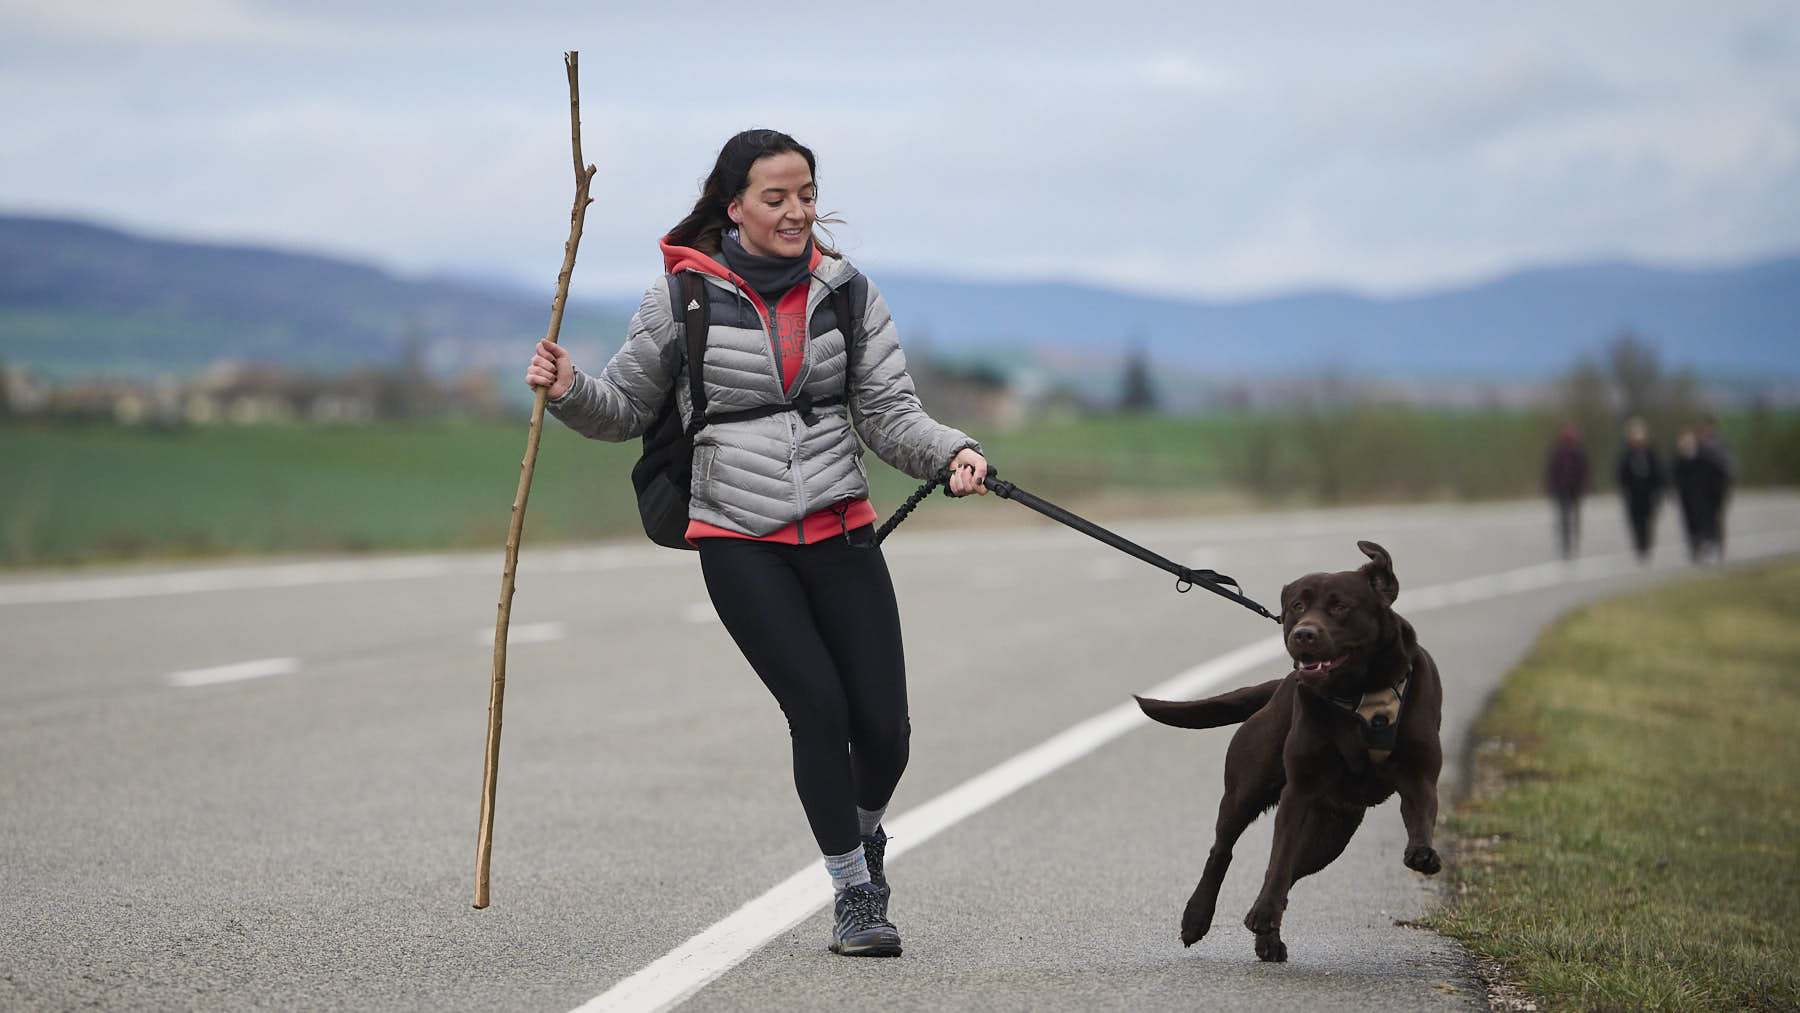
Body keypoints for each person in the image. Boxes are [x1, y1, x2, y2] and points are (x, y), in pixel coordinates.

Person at [524, 128, 988, 959]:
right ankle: (853, 893)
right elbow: (623, 406)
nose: (796, 211)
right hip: (737, 535)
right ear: (734, 205)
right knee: (818, 709)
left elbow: (889, 413)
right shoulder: (681, 296)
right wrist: (567, 390)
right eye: (776, 197)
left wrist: (952, 451)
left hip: (842, 528)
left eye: (806, 194)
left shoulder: (847, 292)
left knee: (885, 731)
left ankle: (863, 837)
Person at [1614, 417, 1665, 561]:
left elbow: (1658, 473)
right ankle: (1639, 546)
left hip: (1648, 494)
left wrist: (1659, 490)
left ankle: (1646, 545)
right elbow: (1621, 474)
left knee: (1648, 521)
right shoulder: (1626, 454)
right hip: (1633, 495)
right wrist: (1624, 489)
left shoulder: (1650, 452)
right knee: (1635, 521)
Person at [1543, 421, 1590, 559]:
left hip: (1575, 490)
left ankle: (1574, 538)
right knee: (1564, 518)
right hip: (1561, 490)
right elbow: (1551, 471)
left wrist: (1586, 485)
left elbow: (1585, 470)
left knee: (1575, 517)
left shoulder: (1579, 453)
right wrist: (1550, 486)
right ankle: (1566, 544)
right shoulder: (1557, 453)